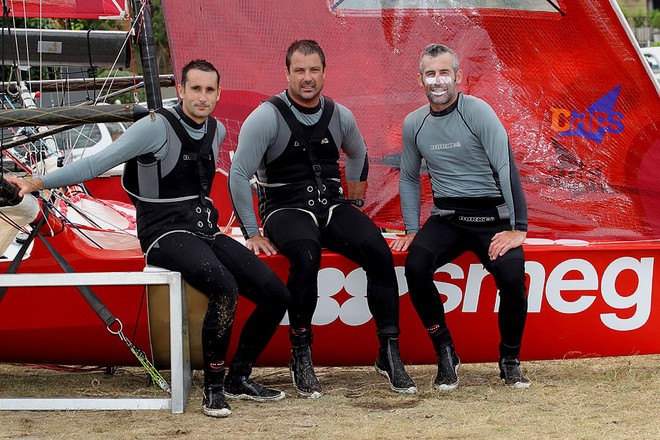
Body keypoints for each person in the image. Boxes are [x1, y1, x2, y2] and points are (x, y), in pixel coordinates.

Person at [8, 59, 291, 417]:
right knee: (225, 286)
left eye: (209, 90)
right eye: (195, 89)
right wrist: (36, 182)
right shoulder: (155, 127)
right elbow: (97, 164)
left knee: (276, 294)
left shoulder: (216, 130)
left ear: (218, 94)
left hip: (204, 231)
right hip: (164, 233)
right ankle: (214, 388)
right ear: (182, 91)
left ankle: (239, 376)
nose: (202, 97)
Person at [229, 40, 416, 398]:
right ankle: (301, 352)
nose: (307, 78)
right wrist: (251, 231)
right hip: (285, 208)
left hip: (330, 205)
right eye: (299, 70)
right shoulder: (267, 115)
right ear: (286, 74)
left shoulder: (340, 114)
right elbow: (238, 174)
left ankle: (388, 352)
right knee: (305, 254)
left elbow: (359, 152)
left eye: (314, 70)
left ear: (324, 73)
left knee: (378, 250)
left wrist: (356, 199)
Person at [390, 44, 531, 390]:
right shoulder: (414, 123)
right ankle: (445, 352)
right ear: (420, 78)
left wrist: (518, 229)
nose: (437, 81)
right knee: (415, 268)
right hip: (449, 219)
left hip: (493, 220)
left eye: (444, 73)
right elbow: (409, 176)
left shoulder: (478, 112)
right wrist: (411, 228)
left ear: (457, 76)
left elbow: (505, 166)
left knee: (513, 281)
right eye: (430, 74)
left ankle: (510, 360)